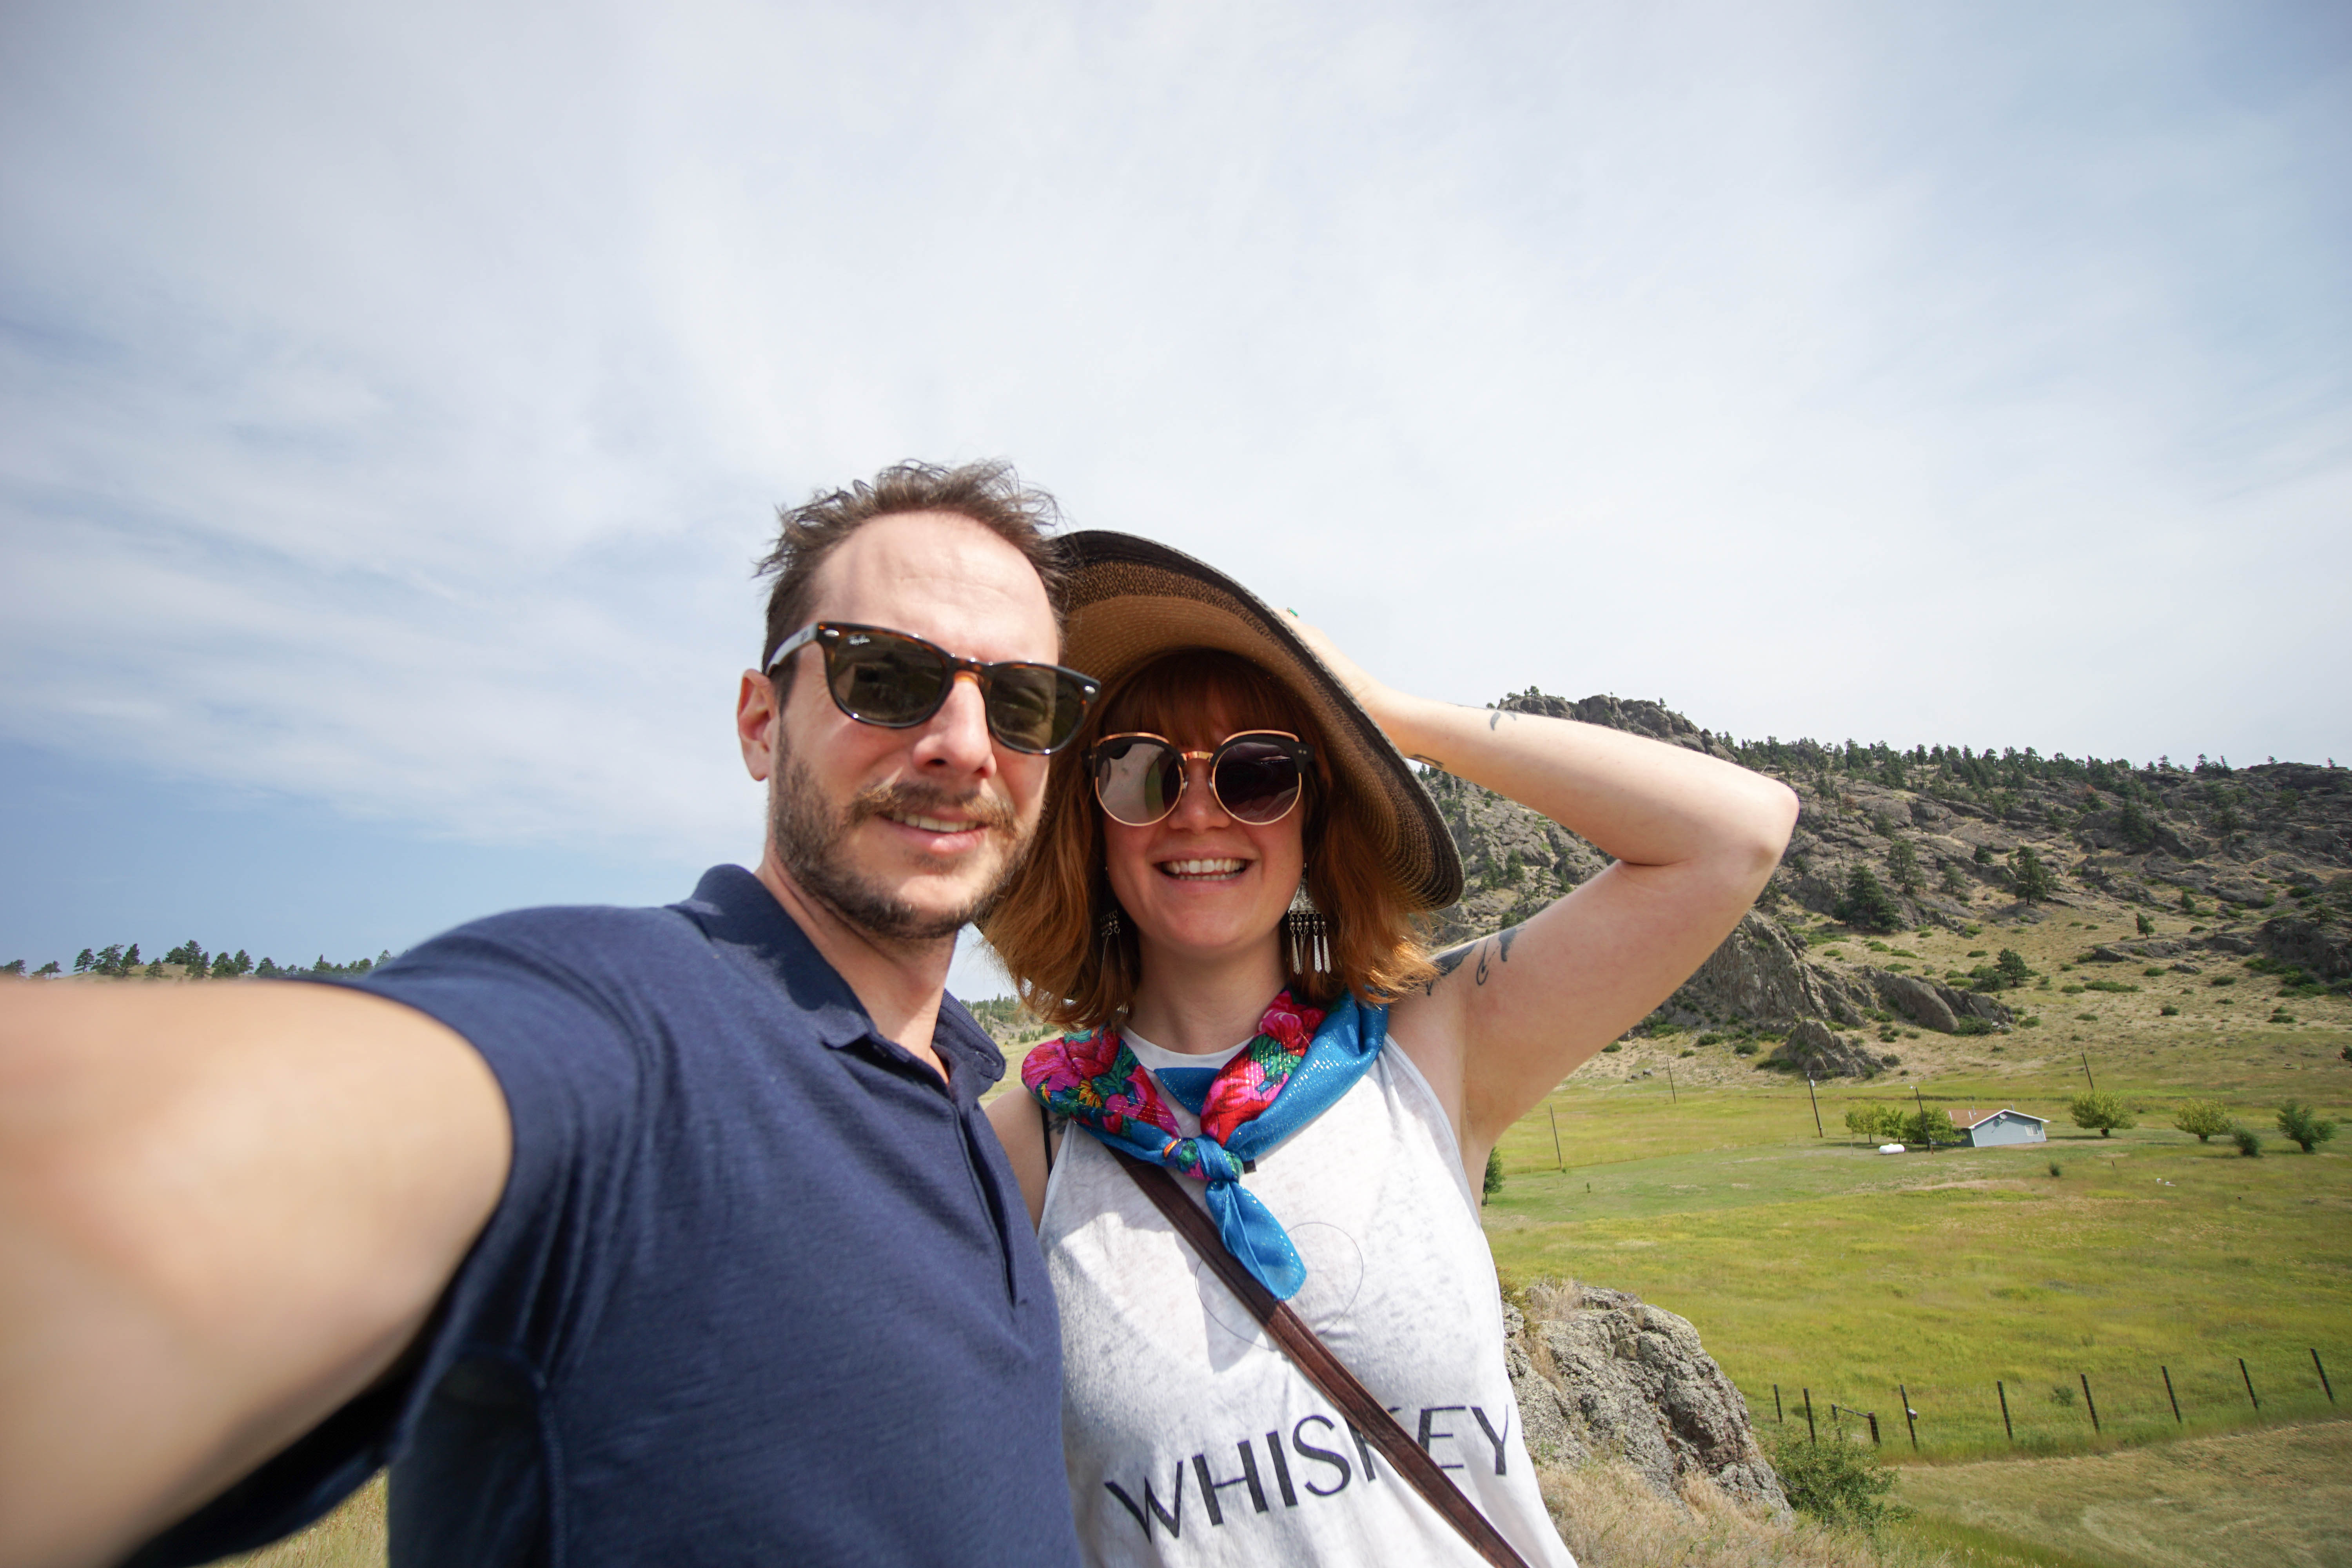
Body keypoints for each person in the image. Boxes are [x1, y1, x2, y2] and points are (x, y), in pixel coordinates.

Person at [0, 461, 1097, 1568]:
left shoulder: (969, 1096)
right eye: (887, 675)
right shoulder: (630, 1025)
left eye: (1024, 704)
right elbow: (112, 1185)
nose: (966, 743)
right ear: (762, 722)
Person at [980, 533, 1798, 1566]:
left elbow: (1737, 833)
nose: (1197, 810)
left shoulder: (1428, 1043)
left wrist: (1377, 708)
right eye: (1141, 772)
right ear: (1090, 823)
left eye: (1258, 772)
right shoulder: (1025, 1149)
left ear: (1315, 819)